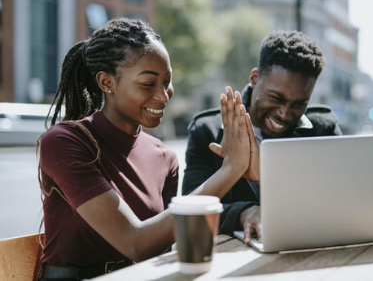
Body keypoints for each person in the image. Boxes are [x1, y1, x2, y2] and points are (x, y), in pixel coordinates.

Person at [37, 17, 254, 280]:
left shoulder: (165, 157)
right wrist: (231, 169)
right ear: (107, 83)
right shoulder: (65, 142)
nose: (163, 96)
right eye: (148, 83)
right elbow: (137, 243)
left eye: (167, 81)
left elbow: (162, 249)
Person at [182, 30, 341, 243]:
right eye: (276, 98)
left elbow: (338, 201)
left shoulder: (323, 129)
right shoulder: (207, 132)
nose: (285, 114)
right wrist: (243, 212)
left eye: (299, 104)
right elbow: (190, 208)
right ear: (255, 79)